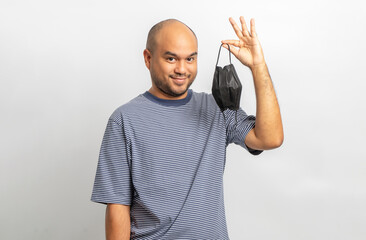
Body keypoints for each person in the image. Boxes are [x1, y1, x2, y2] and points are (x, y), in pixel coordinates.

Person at [91, 16, 283, 240]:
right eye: (171, 58)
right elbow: (117, 207)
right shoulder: (124, 120)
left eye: (190, 59)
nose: (182, 69)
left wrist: (258, 66)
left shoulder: (218, 108)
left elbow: (270, 138)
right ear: (148, 58)